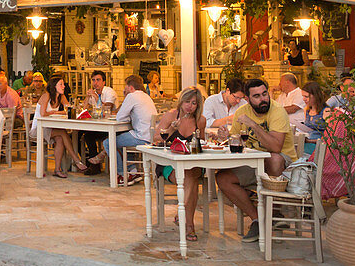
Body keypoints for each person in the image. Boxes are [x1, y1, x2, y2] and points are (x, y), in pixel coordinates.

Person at [216, 78, 298, 243]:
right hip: (254, 163)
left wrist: (253, 124)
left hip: (284, 166)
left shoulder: (277, 111)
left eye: (265, 94)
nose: (263, 99)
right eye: (257, 96)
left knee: (274, 159)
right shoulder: (242, 112)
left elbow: (276, 147)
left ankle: (274, 212)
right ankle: (259, 219)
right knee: (222, 178)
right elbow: (237, 141)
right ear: (247, 99)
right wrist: (227, 138)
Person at [152, 88, 207, 241]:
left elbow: (201, 144)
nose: (190, 106)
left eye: (194, 103)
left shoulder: (200, 121)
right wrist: (171, 129)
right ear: (181, 102)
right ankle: (189, 225)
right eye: (187, 102)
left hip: (192, 164)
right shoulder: (170, 116)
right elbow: (156, 138)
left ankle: (183, 216)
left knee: (191, 173)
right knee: (191, 178)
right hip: (169, 164)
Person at [90, 75, 155, 184]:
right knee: (123, 138)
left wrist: (126, 98)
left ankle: (121, 174)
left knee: (108, 142)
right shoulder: (146, 96)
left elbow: (120, 117)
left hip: (141, 137)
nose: (124, 89)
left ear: (130, 87)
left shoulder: (132, 96)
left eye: (125, 86)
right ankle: (133, 172)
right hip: (150, 136)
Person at [31, 75, 88, 179]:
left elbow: (68, 109)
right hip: (39, 129)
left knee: (60, 138)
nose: (64, 86)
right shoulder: (46, 96)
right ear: (54, 86)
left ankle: (57, 170)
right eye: (61, 84)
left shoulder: (61, 97)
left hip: (50, 128)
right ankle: (75, 159)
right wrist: (56, 112)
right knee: (62, 132)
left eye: (63, 84)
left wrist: (55, 112)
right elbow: (43, 113)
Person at [80, 70, 118, 171]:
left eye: (98, 80)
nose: (95, 83)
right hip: (98, 125)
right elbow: (83, 110)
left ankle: (94, 165)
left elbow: (107, 110)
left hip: (111, 127)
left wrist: (96, 98)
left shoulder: (109, 92)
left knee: (88, 135)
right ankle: (87, 163)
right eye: (93, 80)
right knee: (78, 134)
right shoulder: (93, 93)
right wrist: (88, 97)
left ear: (104, 82)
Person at [300, 81, 327, 156]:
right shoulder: (307, 110)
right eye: (303, 96)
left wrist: (310, 141)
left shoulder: (326, 111)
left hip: (318, 146)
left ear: (315, 96)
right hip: (306, 143)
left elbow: (329, 136)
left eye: (306, 97)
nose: (304, 99)